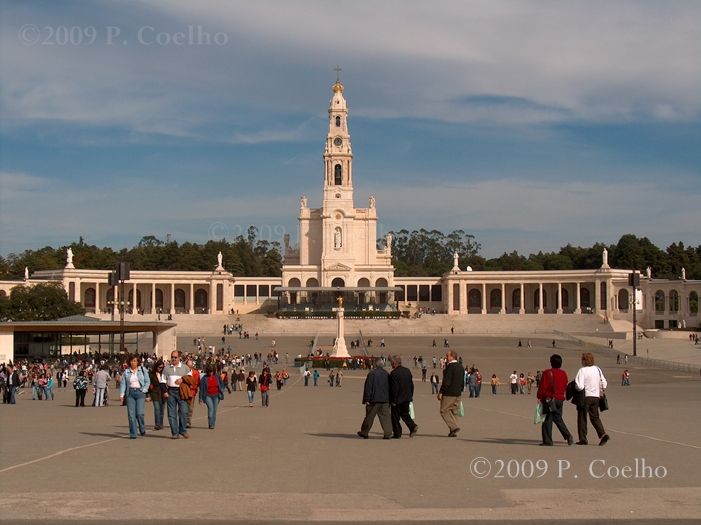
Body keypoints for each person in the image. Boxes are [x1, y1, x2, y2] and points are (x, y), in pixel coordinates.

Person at [536, 354, 574, 447]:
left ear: (551, 362)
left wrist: (540, 397)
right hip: (560, 399)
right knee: (557, 418)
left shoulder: (547, 373)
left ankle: (550, 440)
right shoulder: (563, 373)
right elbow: (565, 384)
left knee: (547, 419)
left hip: (549, 399)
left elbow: (543, 387)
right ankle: (566, 436)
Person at [574, 352, 610, 446]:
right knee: (595, 417)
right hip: (596, 397)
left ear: (584, 361)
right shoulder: (597, 369)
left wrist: (575, 387)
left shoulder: (582, 370)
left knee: (582, 418)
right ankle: (602, 434)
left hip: (585, 397)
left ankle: (583, 439)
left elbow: (580, 386)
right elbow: (604, 383)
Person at [357, 358, 392, 439]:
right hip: (385, 399)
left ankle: (365, 432)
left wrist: (367, 399)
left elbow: (368, 387)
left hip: (374, 399)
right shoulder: (386, 374)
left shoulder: (372, 374)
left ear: (375, 364)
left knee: (369, 416)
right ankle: (388, 433)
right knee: (386, 417)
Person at [119, 354, 151, 439]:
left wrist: (144, 390)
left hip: (140, 393)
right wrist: (122, 395)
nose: (133, 363)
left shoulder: (142, 370)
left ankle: (142, 428)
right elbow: (123, 384)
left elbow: (147, 381)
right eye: (132, 361)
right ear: (129, 362)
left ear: (138, 362)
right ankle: (133, 433)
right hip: (130, 394)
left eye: (135, 361)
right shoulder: (126, 372)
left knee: (140, 413)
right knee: (131, 414)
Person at [163, 350, 191, 439]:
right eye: (172, 357)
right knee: (171, 413)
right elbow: (162, 381)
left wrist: (182, 380)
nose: (173, 359)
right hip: (170, 392)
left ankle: (182, 430)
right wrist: (165, 391)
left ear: (179, 358)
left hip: (181, 392)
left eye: (175, 357)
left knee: (183, 412)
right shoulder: (167, 368)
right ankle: (175, 432)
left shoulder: (185, 368)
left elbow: (191, 378)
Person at [389, 356, 418, 439]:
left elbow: (394, 388)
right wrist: (410, 396)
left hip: (398, 399)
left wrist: (393, 400)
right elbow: (411, 385)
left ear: (394, 364)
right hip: (407, 397)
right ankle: (412, 426)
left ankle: (397, 433)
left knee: (394, 417)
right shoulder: (407, 371)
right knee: (405, 414)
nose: (391, 365)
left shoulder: (394, 373)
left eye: (392, 363)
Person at [438, 350, 464, 437]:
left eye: (447, 356)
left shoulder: (450, 367)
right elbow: (462, 381)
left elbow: (446, 381)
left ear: (452, 357)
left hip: (449, 393)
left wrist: (441, 392)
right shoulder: (461, 366)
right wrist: (460, 390)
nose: (446, 357)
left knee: (444, 410)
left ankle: (453, 427)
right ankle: (453, 430)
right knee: (454, 411)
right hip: (458, 393)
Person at [148, 360, 166, 430]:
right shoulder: (151, 374)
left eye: (162, 367)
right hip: (155, 392)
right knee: (157, 408)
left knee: (162, 409)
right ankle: (157, 424)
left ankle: (161, 423)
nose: (160, 369)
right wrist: (148, 394)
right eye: (159, 367)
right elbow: (149, 384)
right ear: (156, 366)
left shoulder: (164, 374)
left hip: (163, 393)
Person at [184, 357, 200, 429]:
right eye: (188, 366)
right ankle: (183, 421)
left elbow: (197, 382)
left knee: (190, 408)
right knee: (183, 407)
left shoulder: (196, 373)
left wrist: (192, 385)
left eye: (190, 366)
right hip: (184, 392)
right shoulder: (183, 372)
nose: (189, 367)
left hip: (192, 392)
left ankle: (188, 422)